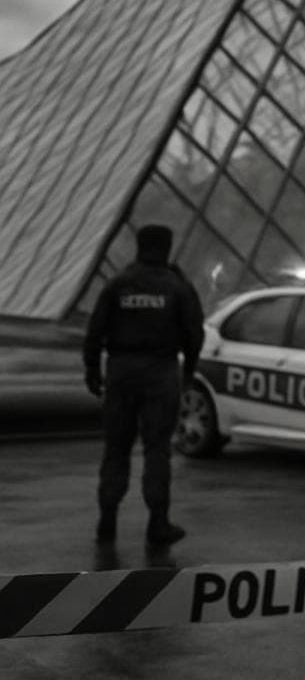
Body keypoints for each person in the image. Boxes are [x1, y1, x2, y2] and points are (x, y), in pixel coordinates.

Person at [83, 224, 205, 546]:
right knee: (157, 450)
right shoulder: (177, 287)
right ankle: (158, 523)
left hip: (121, 371)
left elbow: (95, 330)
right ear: (167, 247)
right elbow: (195, 335)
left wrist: (92, 369)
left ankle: (107, 521)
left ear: (139, 246)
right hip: (161, 373)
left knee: (116, 448)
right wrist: (189, 372)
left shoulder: (118, 284)